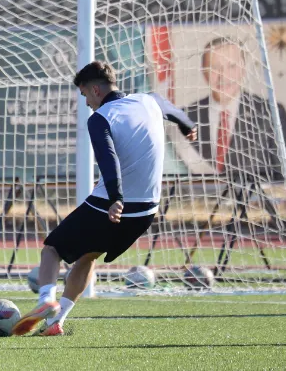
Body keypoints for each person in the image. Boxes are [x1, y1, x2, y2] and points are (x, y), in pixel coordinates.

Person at [12, 60, 196, 337]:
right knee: (87, 256)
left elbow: (107, 159)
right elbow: (174, 111)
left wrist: (115, 198)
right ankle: (55, 322)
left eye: (85, 94)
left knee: (51, 249)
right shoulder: (148, 100)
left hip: (111, 205)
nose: (86, 102)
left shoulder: (101, 118)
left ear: (95, 89)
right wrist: (186, 125)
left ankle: (45, 301)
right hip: (145, 213)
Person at [181, 37, 286, 181]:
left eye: (232, 66)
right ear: (204, 71)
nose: (224, 76)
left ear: (243, 69)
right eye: (215, 68)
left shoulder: (270, 113)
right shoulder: (185, 117)